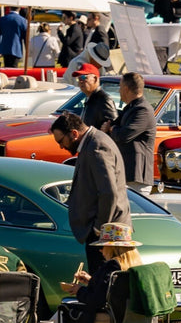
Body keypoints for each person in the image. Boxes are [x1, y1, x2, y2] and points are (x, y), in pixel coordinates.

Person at [49, 112, 130, 274]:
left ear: (74, 133)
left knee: (104, 289)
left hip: (107, 234)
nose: (61, 147)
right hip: (105, 232)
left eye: (61, 141)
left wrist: (99, 230)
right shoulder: (94, 142)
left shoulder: (97, 146)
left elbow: (109, 193)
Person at [58, 222, 144, 323]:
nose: (100, 250)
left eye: (103, 246)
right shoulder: (135, 265)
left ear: (112, 248)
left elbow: (96, 300)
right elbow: (112, 289)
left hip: (110, 316)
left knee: (63, 310)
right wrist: (90, 281)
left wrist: (79, 290)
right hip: (130, 317)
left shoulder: (112, 266)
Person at [112, 73, 156, 190]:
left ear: (126, 89)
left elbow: (124, 135)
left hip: (137, 178)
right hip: (127, 175)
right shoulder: (131, 108)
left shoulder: (143, 109)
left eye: (120, 87)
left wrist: (111, 129)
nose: (119, 91)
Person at [73, 63, 117, 132]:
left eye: (84, 77)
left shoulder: (104, 99)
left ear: (95, 79)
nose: (80, 81)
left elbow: (114, 126)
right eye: (78, 78)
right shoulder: (89, 98)